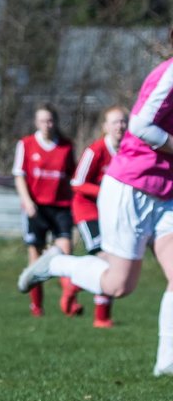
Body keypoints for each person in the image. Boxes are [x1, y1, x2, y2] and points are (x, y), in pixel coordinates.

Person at [19, 34, 173, 375]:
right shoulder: (170, 73)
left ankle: (167, 363)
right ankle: (57, 263)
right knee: (119, 286)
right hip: (130, 187)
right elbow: (140, 125)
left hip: (166, 190)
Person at [13, 105, 78, 318]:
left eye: (50, 120)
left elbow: (73, 177)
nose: (47, 125)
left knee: (66, 251)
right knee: (35, 256)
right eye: (42, 121)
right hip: (36, 207)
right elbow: (19, 175)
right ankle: (37, 306)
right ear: (36, 122)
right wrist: (27, 201)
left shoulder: (67, 146)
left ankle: (69, 301)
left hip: (60, 206)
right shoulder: (26, 144)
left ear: (55, 121)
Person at [69, 106, 129, 328]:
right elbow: (76, 183)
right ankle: (100, 314)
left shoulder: (130, 152)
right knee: (104, 258)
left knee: (114, 261)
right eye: (115, 122)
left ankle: (74, 285)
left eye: (123, 121)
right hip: (88, 210)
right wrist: (105, 192)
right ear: (105, 126)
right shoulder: (95, 151)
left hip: (112, 214)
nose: (120, 126)